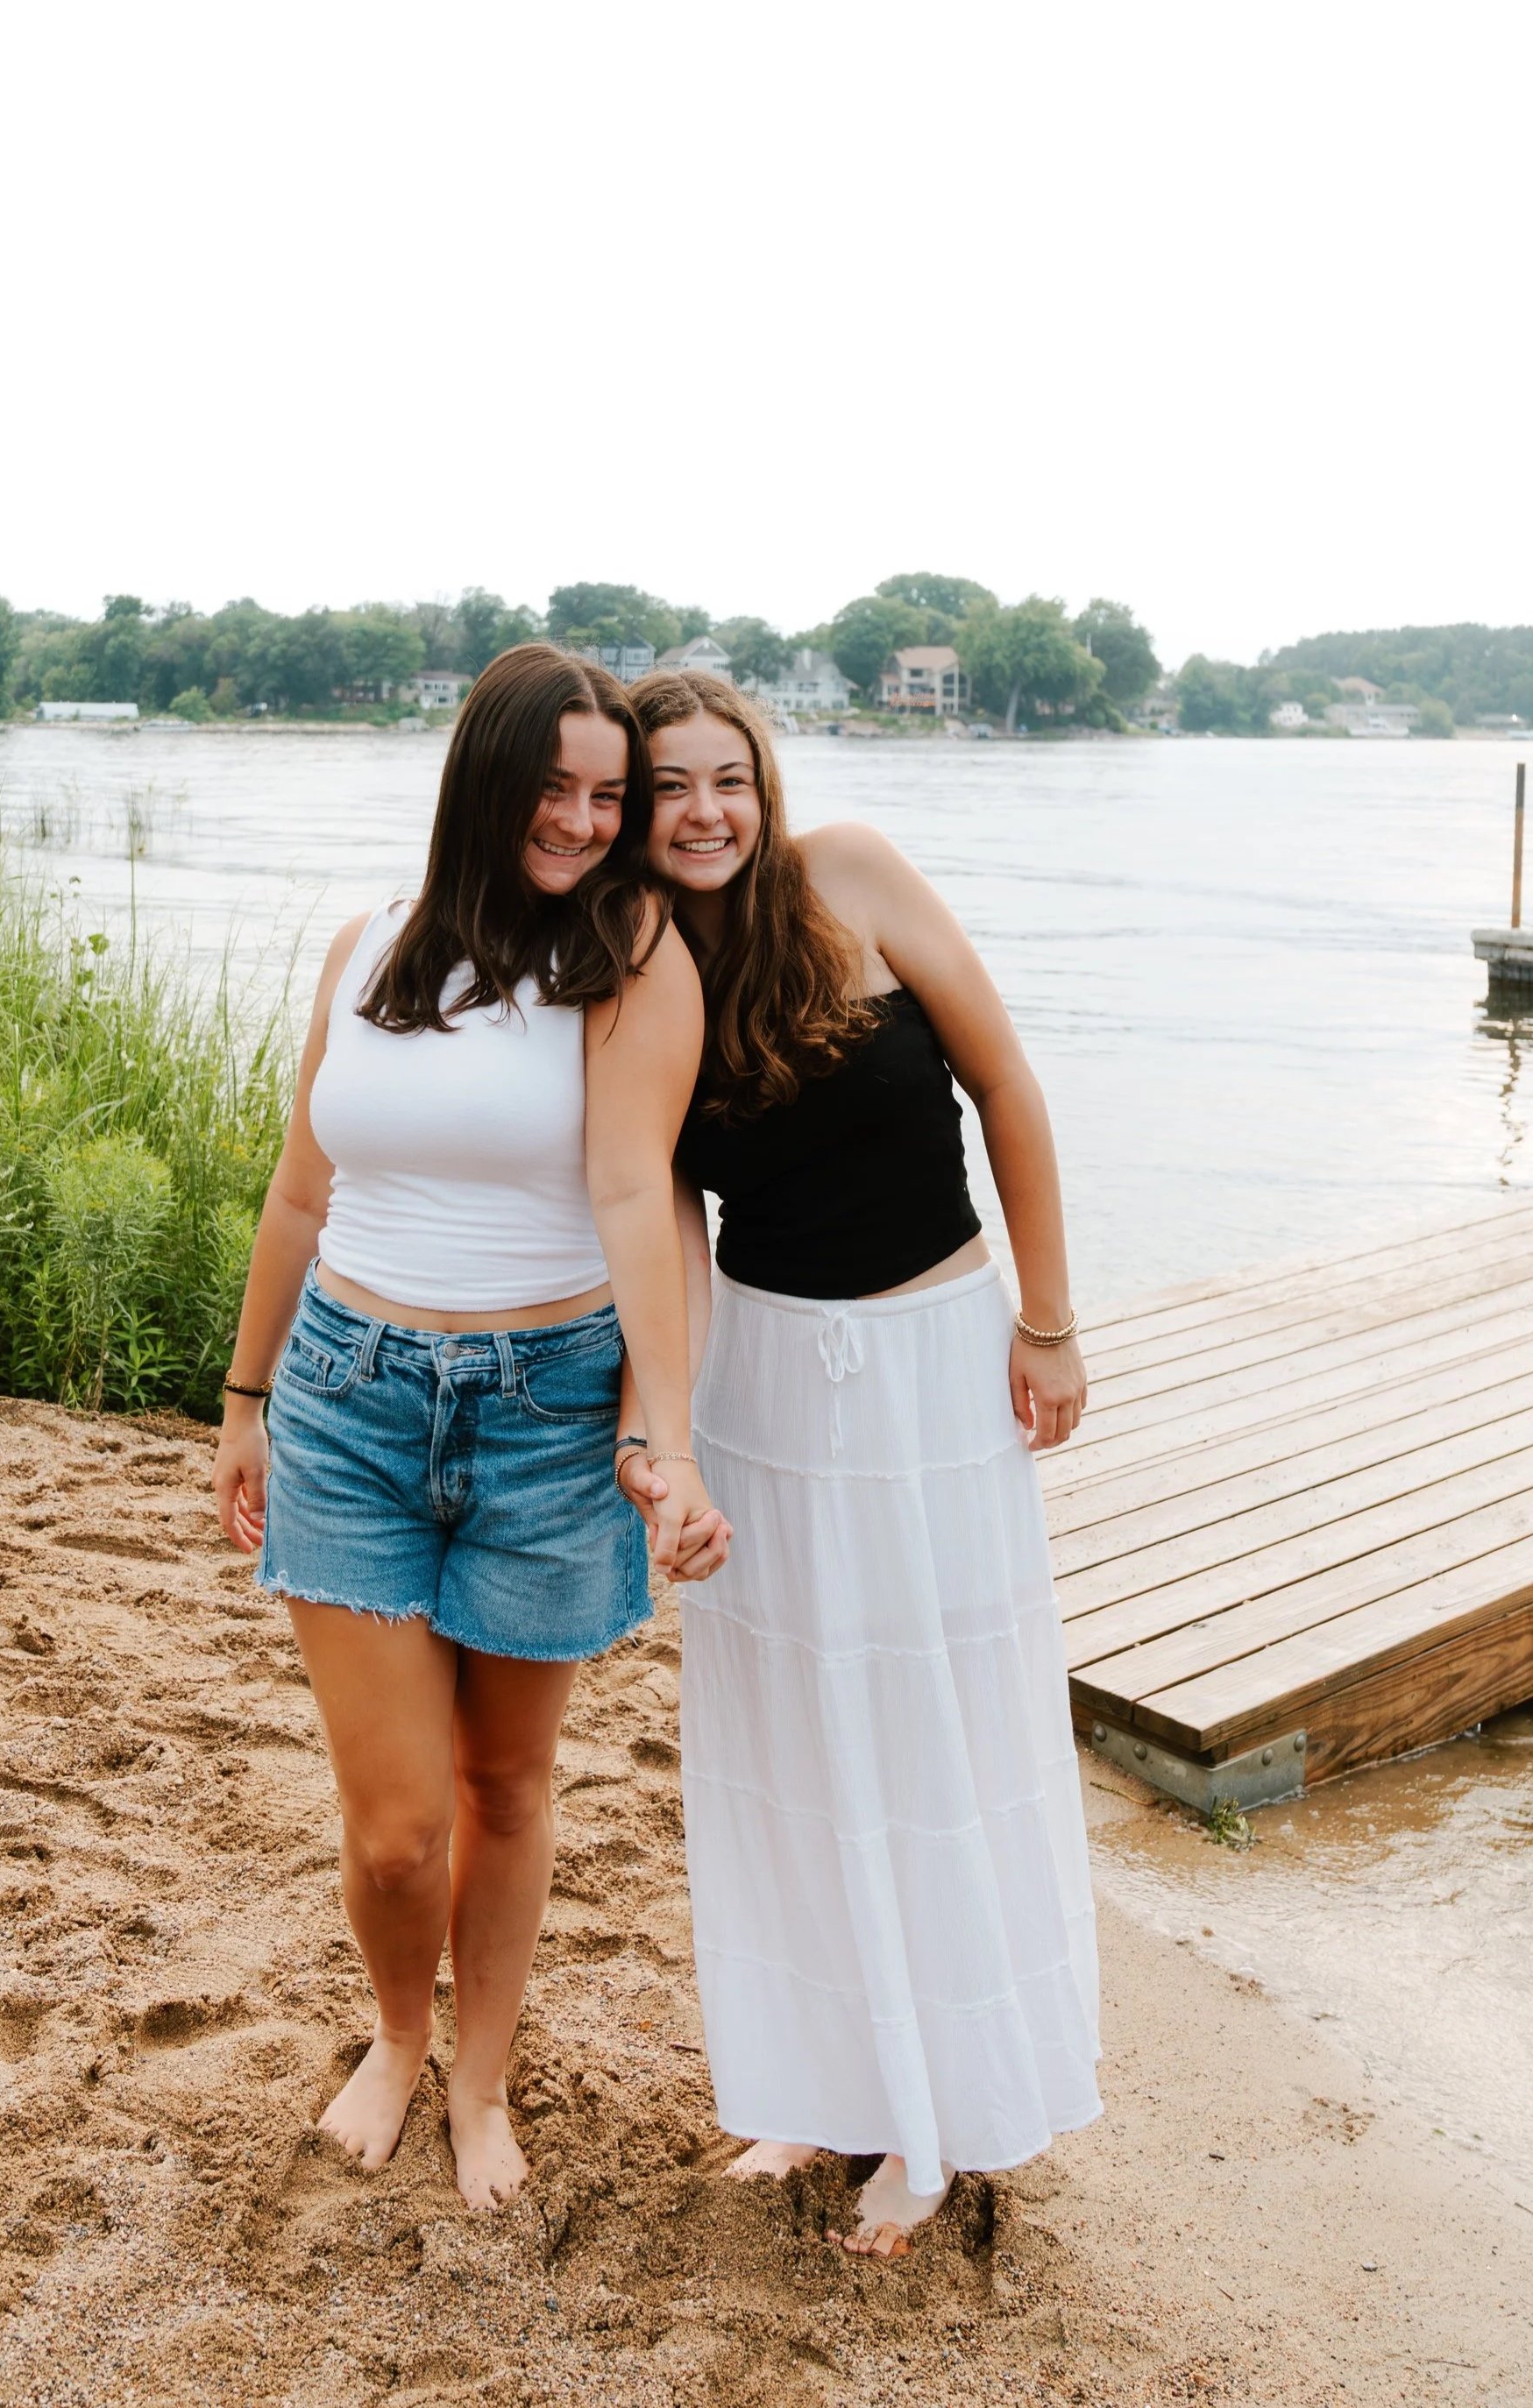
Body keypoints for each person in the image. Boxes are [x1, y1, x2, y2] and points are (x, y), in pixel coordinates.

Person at [211, 643, 730, 2214]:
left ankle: (481, 2077)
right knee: (394, 1829)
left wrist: (671, 1434)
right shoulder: (366, 943)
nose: (582, 822)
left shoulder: (633, 950)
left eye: (606, 796)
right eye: (554, 789)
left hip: (546, 1412)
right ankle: (394, 2034)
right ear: (482, 781)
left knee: (507, 1787)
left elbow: (646, 1194)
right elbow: (305, 1187)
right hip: (347, 1401)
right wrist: (241, 1397)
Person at [621, 669, 1098, 2256]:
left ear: (766, 782)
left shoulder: (857, 875)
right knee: (791, 1733)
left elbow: (1007, 1085)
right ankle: (819, 2083)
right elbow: (669, 1221)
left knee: (928, 1718)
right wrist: (672, 1430)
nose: (704, 811)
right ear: (632, 803)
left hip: (936, 1364)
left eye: (728, 778)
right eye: (669, 783)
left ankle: (938, 2111)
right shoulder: (634, 962)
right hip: (768, 1377)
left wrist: (1048, 1320)